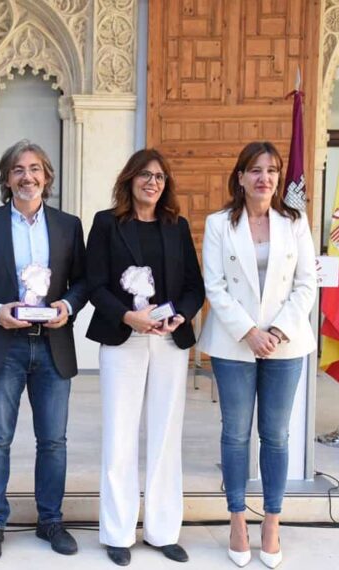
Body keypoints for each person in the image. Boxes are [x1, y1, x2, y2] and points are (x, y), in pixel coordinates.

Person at [0, 140, 88, 563]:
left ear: (47, 177)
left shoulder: (69, 226)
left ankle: (50, 520)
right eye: (18, 169)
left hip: (53, 346)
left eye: (35, 169)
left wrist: (66, 306)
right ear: (6, 178)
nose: (27, 177)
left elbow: (83, 281)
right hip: (5, 345)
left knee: (53, 441)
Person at [197, 141, 316, 569]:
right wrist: (249, 333)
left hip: (285, 343)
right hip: (234, 343)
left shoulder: (295, 222)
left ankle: (271, 520)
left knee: (276, 434)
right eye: (255, 170)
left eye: (272, 170)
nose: (264, 177)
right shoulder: (219, 224)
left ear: (279, 178)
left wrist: (277, 331)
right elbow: (214, 286)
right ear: (241, 177)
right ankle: (236, 519)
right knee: (235, 433)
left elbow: (306, 283)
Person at [85, 148, 204, 566]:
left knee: (165, 435)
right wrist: (127, 316)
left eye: (159, 177)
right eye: (145, 175)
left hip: (169, 342)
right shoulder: (106, 223)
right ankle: (118, 533)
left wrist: (181, 315)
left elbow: (194, 286)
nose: (152, 182)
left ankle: (162, 530)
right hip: (124, 339)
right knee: (120, 435)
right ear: (130, 179)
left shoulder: (176, 226)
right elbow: (94, 284)